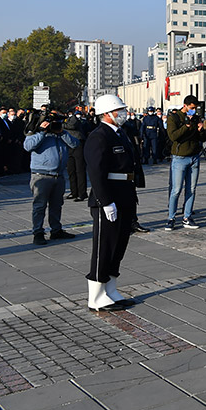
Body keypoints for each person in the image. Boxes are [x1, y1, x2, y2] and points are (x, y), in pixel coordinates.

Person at [84, 94, 139, 311]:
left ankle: (111, 290)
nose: (123, 113)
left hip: (124, 195)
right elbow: (96, 172)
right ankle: (96, 296)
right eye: (120, 110)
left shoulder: (119, 133)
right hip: (108, 198)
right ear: (107, 113)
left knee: (119, 245)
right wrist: (106, 201)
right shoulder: (99, 136)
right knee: (104, 246)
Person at [24, 108, 78, 245]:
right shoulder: (36, 131)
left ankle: (56, 230)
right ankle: (38, 232)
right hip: (41, 175)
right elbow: (28, 146)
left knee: (57, 205)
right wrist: (42, 132)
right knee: (39, 206)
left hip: (58, 175)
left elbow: (75, 144)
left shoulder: (60, 134)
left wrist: (62, 132)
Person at [165, 95, 206, 230]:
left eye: (195, 108)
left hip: (194, 157)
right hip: (179, 158)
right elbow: (173, 136)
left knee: (191, 189)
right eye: (192, 108)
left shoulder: (196, 118)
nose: (193, 111)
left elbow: (202, 138)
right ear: (185, 105)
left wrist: (201, 130)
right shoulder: (174, 117)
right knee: (176, 189)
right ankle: (171, 218)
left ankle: (187, 217)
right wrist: (187, 126)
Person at [63, 108, 91, 201]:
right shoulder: (66, 118)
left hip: (78, 144)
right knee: (71, 170)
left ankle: (82, 193)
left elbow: (72, 126)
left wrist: (61, 124)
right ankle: (74, 191)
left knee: (80, 170)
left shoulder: (74, 119)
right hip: (69, 145)